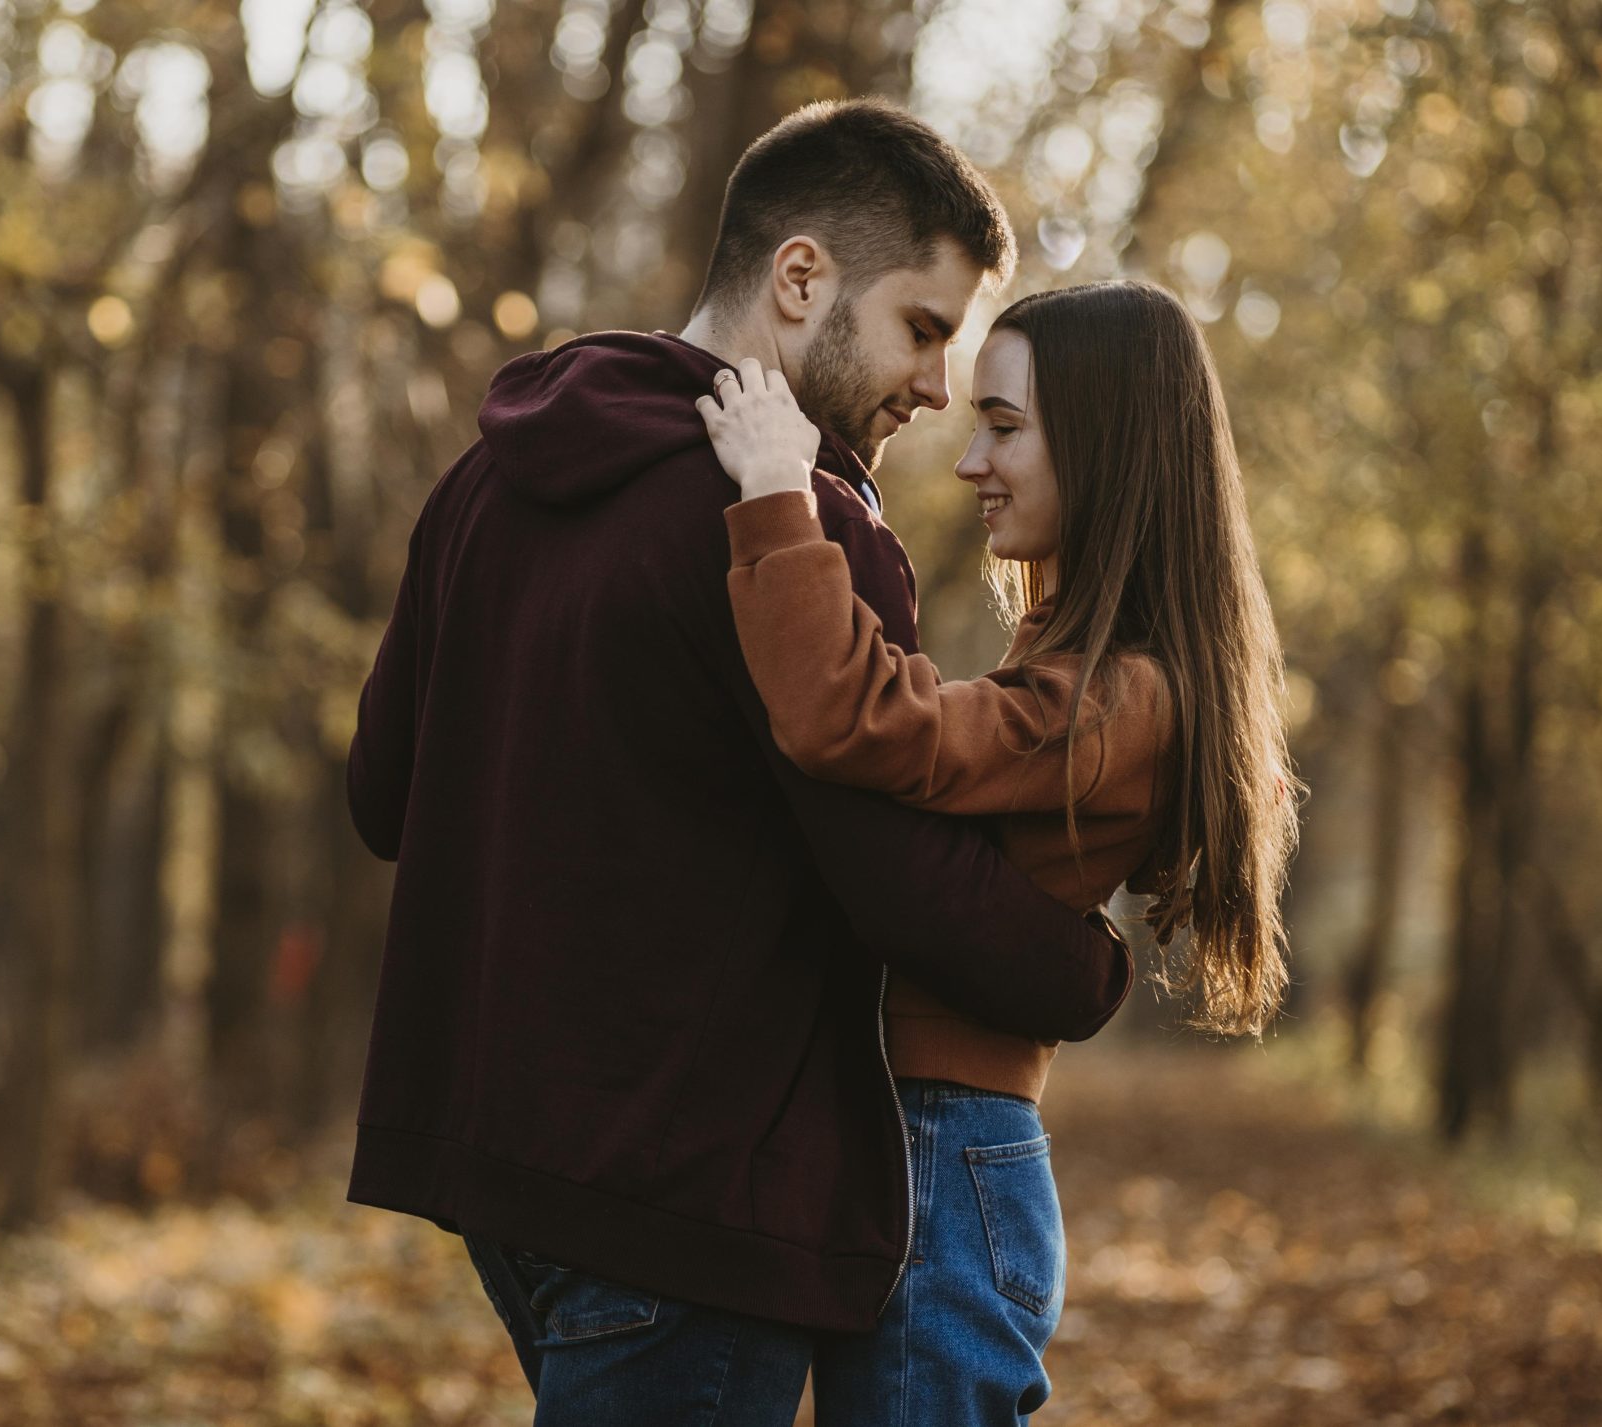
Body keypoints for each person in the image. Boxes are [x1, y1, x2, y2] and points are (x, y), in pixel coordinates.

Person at [343, 99, 1136, 1426]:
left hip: (500, 1169)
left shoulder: (487, 480)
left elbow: (383, 796)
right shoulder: (796, 534)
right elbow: (898, 884)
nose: (937, 388)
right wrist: (1084, 965)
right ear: (801, 277)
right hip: (694, 1190)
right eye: (923, 328)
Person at [695, 278, 1301, 1423]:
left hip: (946, 1162)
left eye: (1005, 426)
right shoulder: (1088, 669)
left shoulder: (1120, 700)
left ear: (1110, 447)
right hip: (924, 1153)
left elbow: (860, 721)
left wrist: (778, 495)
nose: (971, 459)